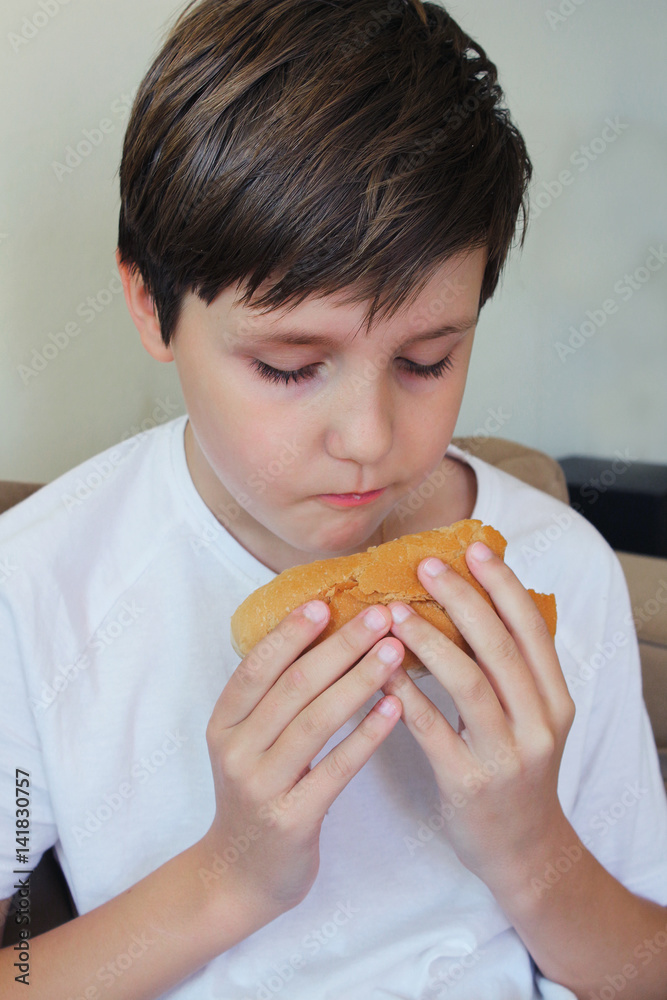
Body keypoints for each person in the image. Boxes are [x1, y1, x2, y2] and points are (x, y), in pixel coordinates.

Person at [1, 0, 666, 997]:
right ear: (149, 302)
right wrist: (226, 879)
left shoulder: (558, 570)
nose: (368, 441)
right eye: (288, 365)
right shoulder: (36, 583)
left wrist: (533, 854)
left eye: (428, 360)